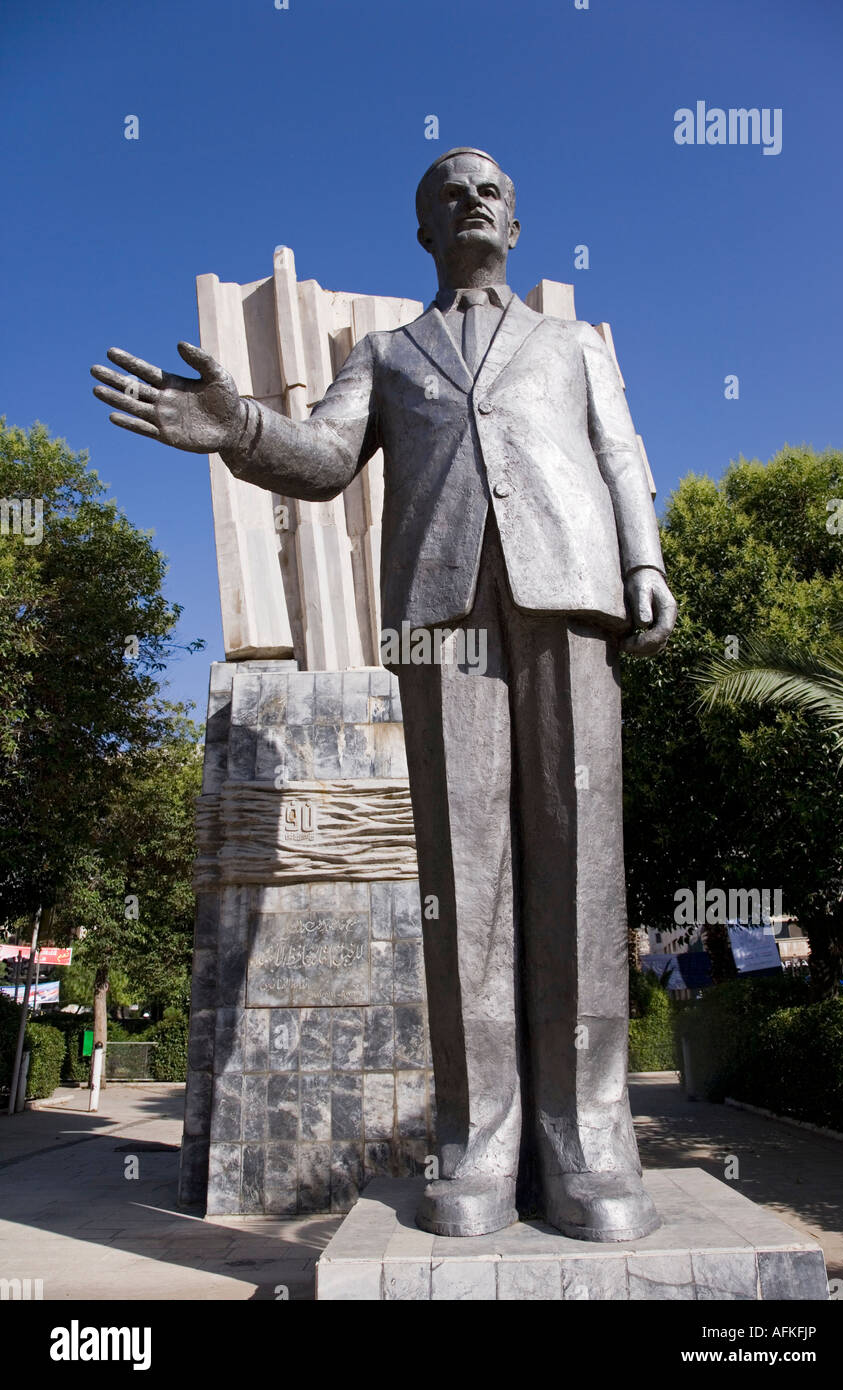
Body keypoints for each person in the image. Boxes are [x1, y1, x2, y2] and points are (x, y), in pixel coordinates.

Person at [91, 147, 677, 1241]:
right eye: (449, 193)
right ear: (423, 232)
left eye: (490, 188)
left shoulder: (571, 345)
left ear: (516, 218)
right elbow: (321, 458)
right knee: (465, 883)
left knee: (580, 863)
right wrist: (239, 428)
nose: (473, 201)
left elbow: (619, 452)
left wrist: (643, 563)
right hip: (441, 615)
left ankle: (589, 1145)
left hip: (572, 593)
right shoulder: (387, 352)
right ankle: (480, 1145)